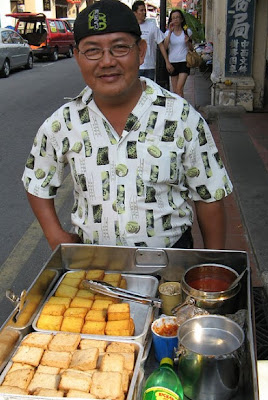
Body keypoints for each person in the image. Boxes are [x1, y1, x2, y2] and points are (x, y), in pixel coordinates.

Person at [22, 0, 232, 252]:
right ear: (77, 57)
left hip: (171, 264)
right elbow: (37, 180)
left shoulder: (181, 117)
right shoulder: (62, 123)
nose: (107, 61)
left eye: (120, 48)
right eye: (92, 51)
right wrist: (55, 234)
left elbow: (210, 195)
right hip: (92, 265)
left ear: (141, 51)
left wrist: (213, 266)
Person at [132, 0, 172, 80]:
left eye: (144, 10)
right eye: (141, 10)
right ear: (135, 13)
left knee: (150, 90)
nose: (144, 12)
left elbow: (160, 44)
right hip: (135, 66)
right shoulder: (130, 27)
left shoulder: (152, 26)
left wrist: (167, 61)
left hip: (149, 66)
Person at [164, 9, 193, 97]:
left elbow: (192, 48)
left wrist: (188, 42)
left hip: (184, 61)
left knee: (179, 89)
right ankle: (179, 108)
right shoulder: (167, 33)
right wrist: (169, 32)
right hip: (173, 62)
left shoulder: (187, 32)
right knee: (175, 91)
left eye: (177, 17)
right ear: (171, 20)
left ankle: (182, 109)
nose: (176, 20)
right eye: (173, 18)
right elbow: (165, 47)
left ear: (181, 19)